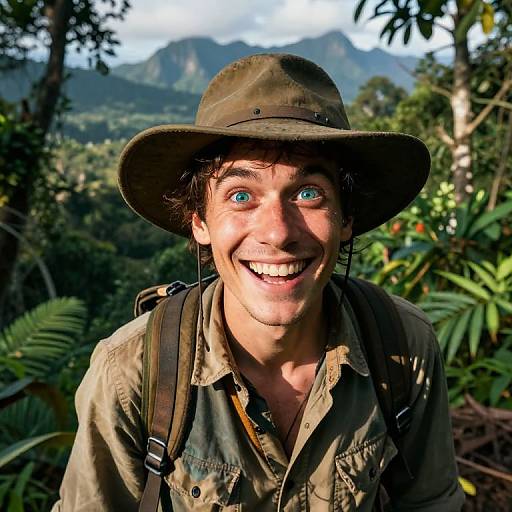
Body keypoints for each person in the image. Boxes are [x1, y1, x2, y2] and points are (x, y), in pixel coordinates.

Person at [52, 53, 464, 511]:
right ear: (200, 222)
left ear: (346, 218)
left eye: (309, 193)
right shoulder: (130, 374)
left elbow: (432, 502)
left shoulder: (401, 347)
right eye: (241, 195)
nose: (278, 232)